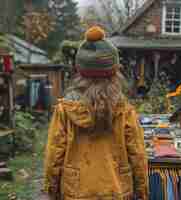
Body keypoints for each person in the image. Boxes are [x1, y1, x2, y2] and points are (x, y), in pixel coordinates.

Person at [43, 26, 148, 200]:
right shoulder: (125, 111)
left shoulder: (65, 110)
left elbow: (54, 154)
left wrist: (51, 189)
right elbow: (138, 154)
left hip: (75, 190)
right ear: (114, 71)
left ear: (80, 71)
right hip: (117, 189)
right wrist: (142, 191)